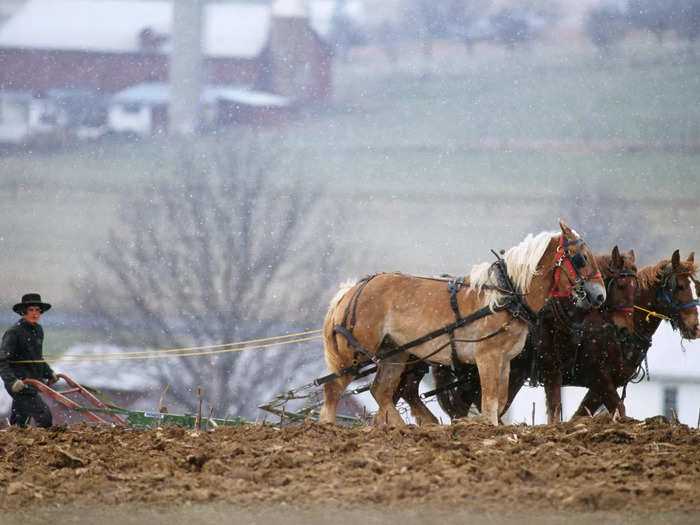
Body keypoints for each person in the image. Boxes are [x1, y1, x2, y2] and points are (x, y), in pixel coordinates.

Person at [0, 293, 58, 427]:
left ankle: (14, 442)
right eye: (31, 310)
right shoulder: (14, 332)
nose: (35, 313)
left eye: (37, 310)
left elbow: (37, 358)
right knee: (44, 416)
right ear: (23, 312)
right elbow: (2, 360)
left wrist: (49, 373)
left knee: (20, 422)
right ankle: (45, 447)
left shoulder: (38, 330)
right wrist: (12, 381)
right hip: (20, 384)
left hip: (33, 382)